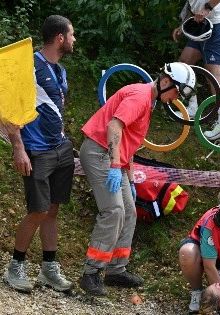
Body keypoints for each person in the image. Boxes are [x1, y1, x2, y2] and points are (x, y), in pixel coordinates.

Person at [78, 62, 196, 296]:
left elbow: (129, 141)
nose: (175, 99)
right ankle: (91, 273)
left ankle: (116, 270)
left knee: (130, 211)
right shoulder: (140, 97)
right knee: (113, 211)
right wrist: (114, 166)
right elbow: (114, 127)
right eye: (176, 92)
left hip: (115, 158)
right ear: (165, 82)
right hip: (100, 152)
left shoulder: (149, 101)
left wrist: (130, 180)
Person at [3, 15, 76, 293]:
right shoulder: (29, 65)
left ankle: (48, 269)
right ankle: (15, 266)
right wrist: (18, 147)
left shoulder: (60, 71)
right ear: (60, 38)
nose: (73, 39)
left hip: (60, 147)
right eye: (71, 34)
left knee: (53, 210)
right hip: (35, 150)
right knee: (38, 210)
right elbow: (9, 106)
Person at [172, 0, 220, 140]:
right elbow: (191, 5)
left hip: (218, 25)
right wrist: (182, 25)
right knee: (184, 63)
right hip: (201, 25)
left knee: (212, 74)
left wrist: (207, 8)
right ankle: (192, 107)